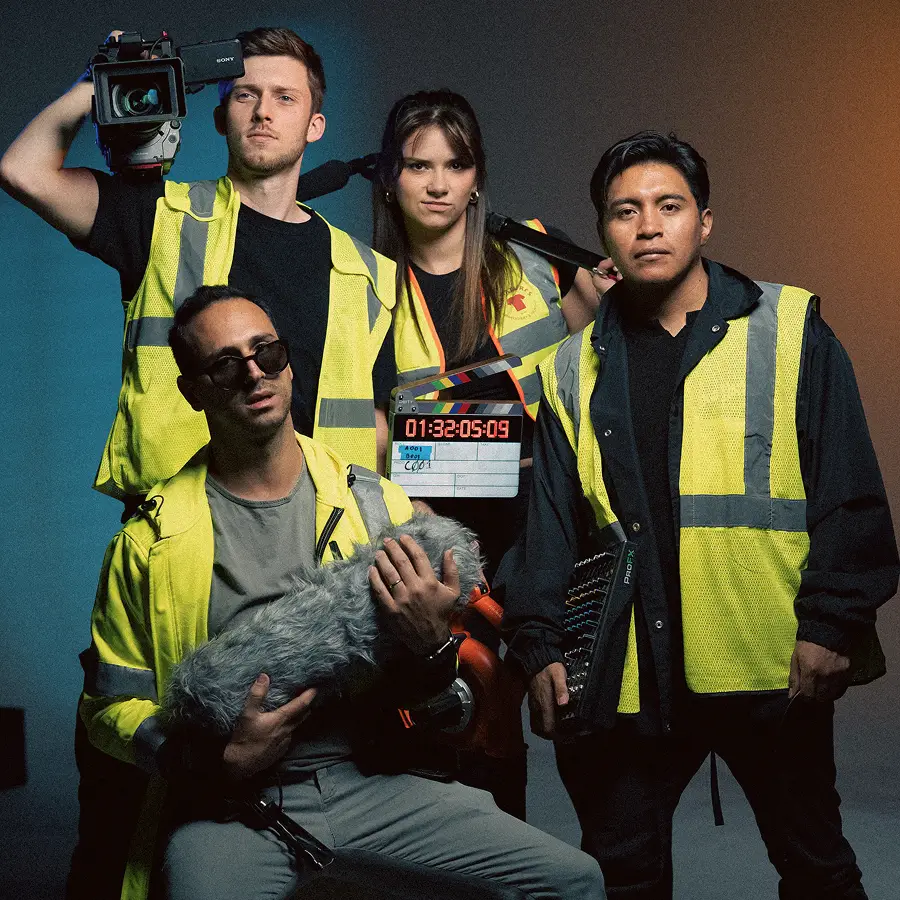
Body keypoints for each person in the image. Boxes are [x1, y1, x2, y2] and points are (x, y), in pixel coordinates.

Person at [79, 284, 605, 900]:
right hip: (231, 803)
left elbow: (439, 704)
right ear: (193, 391)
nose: (254, 375)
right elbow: (108, 709)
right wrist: (212, 762)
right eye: (225, 365)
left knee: (573, 881)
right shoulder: (149, 543)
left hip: (372, 781)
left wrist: (433, 646)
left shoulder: (376, 506)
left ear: (287, 364)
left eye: (267, 353)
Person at [499, 131, 899, 899]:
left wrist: (830, 625)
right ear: (604, 232)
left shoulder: (788, 330)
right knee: (623, 875)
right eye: (625, 211)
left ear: (704, 221)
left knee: (816, 868)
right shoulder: (571, 367)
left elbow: (849, 491)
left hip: (767, 662)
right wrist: (539, 643)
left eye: (669, 206)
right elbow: (548, 527)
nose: (648, 225)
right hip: (625, 672)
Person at [0, 25, 396, 510]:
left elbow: (376, 427)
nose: (263, 111)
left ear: (315, 125)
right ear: (220, 117)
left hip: (326, 531)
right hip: (184, 524)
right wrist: (95, 83)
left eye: (285, 97)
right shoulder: (161, 217)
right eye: (245, 95)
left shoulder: (367, 273)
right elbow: (23, 172)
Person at [371, 89, 612, 817]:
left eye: (456, 164)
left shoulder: (537, 251)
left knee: (584, 721)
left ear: (478, 176)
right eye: (419, 165)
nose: (438, 184)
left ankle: (603, 863)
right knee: (474, 726)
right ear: (390, 176)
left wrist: (610, 295)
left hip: (551, 523)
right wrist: (410, 496)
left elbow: (589, 360)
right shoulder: (364, 285)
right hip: (442, 532)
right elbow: (361, 421)